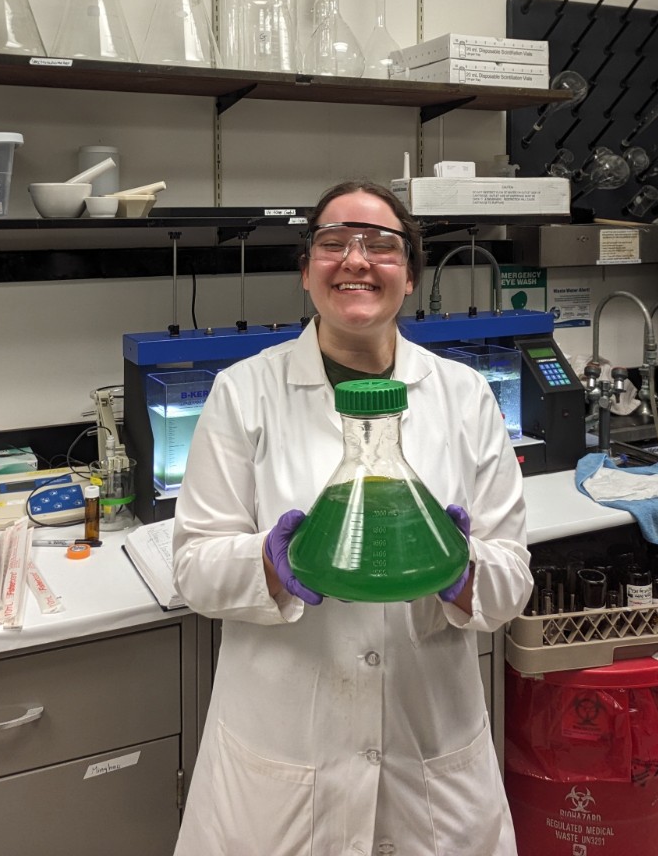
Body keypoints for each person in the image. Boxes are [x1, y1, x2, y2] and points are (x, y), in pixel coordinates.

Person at [172, 179, 533, 856]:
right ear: (306, 272)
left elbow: (510, 580)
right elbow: (194, 568)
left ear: (411, 274)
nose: (355, 259)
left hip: (428, 746)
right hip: (284, 749)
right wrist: (269, 566)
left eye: (381, 245)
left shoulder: (463, 396)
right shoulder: (244, 392)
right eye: (332, 243)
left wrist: (460, 571)